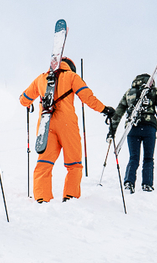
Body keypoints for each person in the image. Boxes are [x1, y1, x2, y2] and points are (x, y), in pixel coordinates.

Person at [17, 56, 110, 203]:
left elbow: (24, 100)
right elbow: (87, 97)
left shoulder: (41, 78)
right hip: (67, 125)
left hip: (46, 125)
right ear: (71, 67)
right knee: (74, 164)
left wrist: (27, 100)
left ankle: (42, 197)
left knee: (44, 163)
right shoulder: (72, 76)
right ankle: (70, 196)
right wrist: (104, 109)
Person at [110, 72, 157, 192]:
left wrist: (111, 132)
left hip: (132, 127)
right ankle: (147, 184)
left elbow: (118, 112)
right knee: (148, 158)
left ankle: (129, 182)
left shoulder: (129, 92)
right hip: (149, 127)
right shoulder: (154, 91)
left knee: (133, 157)